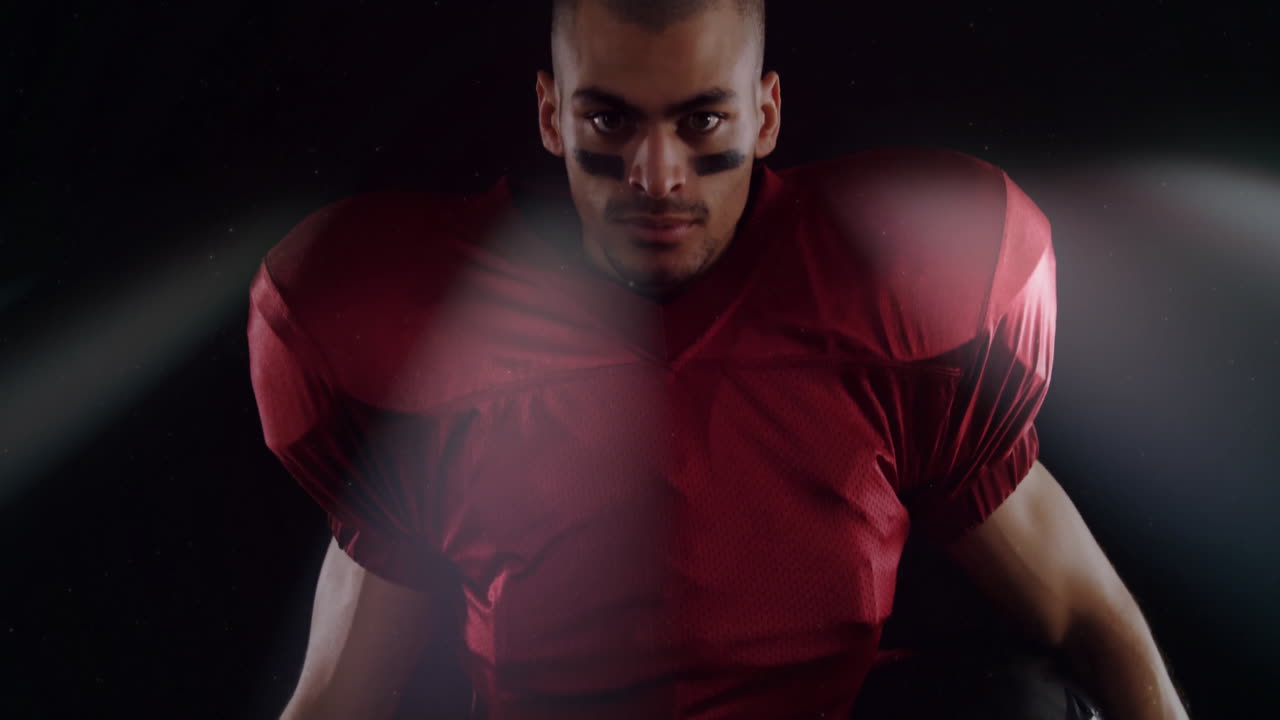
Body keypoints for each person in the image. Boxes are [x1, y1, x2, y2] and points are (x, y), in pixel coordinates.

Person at [247, 1, 1190, 717]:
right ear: (549, 114)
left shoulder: (889, 306)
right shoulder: (440, 345)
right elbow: (334, 703)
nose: (657, 177)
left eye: (700, 122)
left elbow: (1081, 615)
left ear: (765, 113)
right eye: (610, 122)